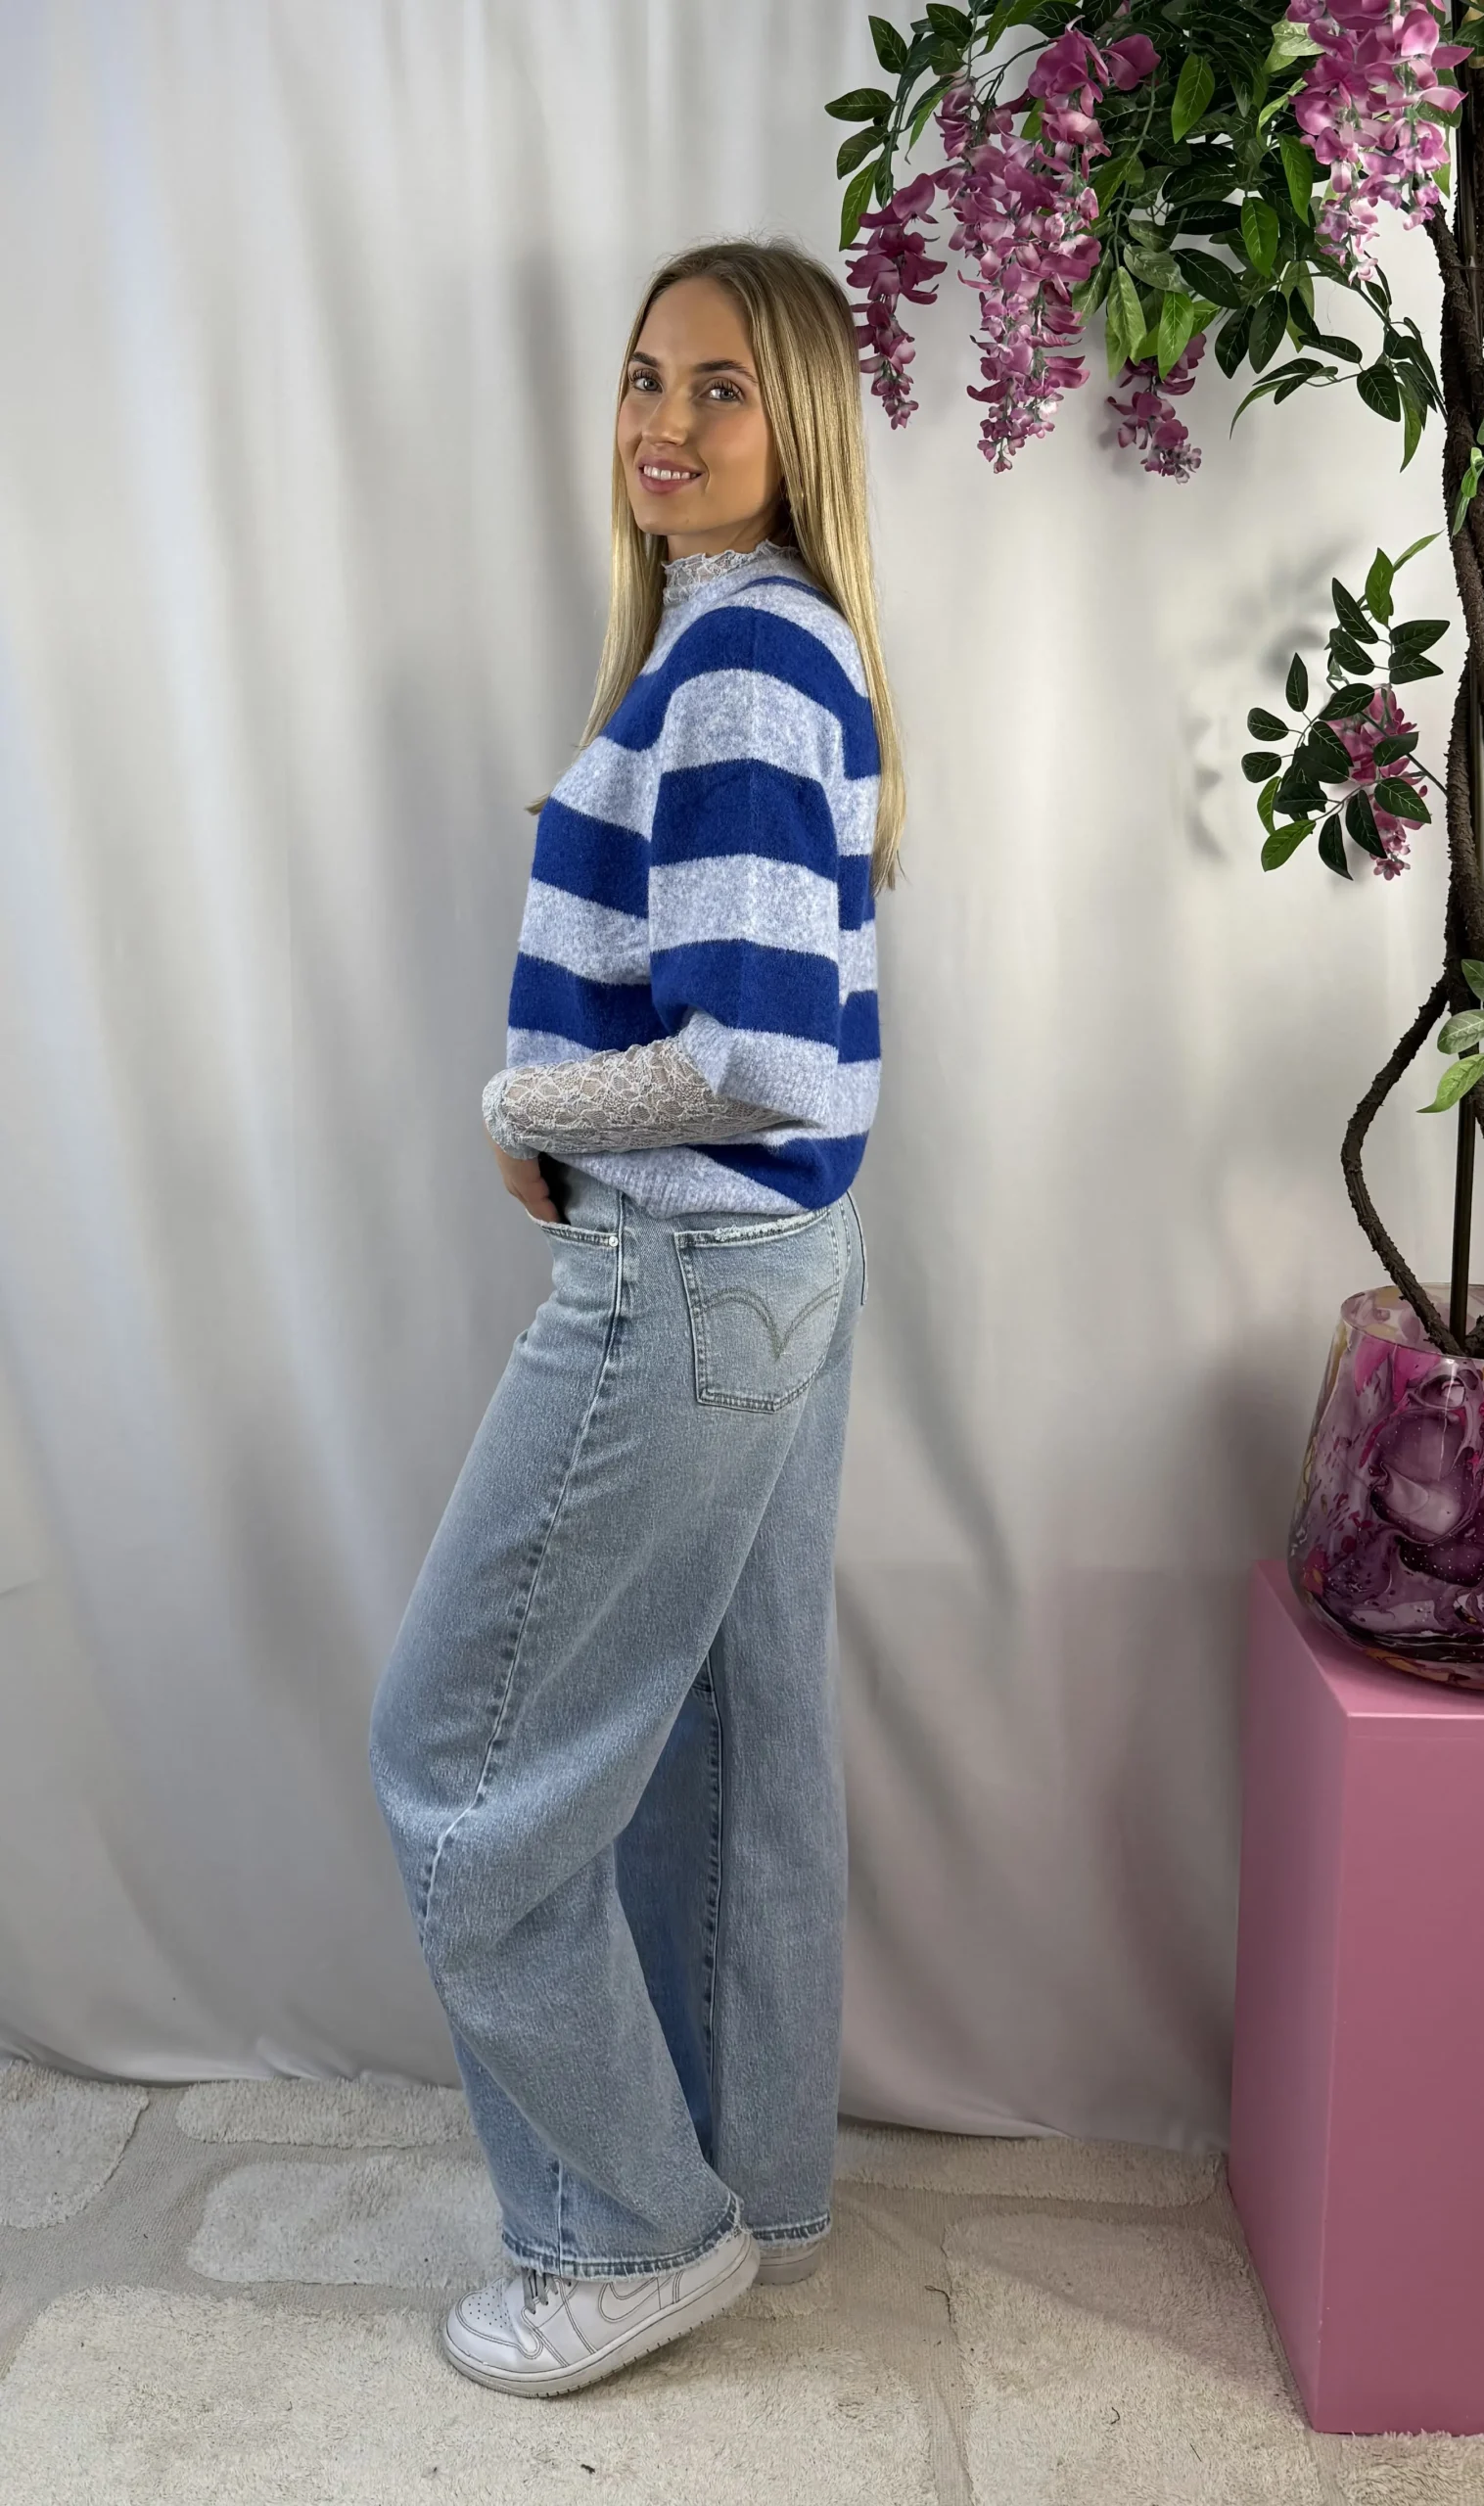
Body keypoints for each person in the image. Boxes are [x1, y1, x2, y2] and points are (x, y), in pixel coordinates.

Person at [367, 234, 904, 2397]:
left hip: (683, 1278)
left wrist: (521, 1100)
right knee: (730, 1741)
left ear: (801, 425)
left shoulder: (745, 663)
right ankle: (750, 2191)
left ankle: (625, 2231)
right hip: (772, 1276)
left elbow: (750, 1050)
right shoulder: (750, 641)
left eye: (720, 387)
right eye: (642, 379)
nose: (663, 424)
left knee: (455, 1765)